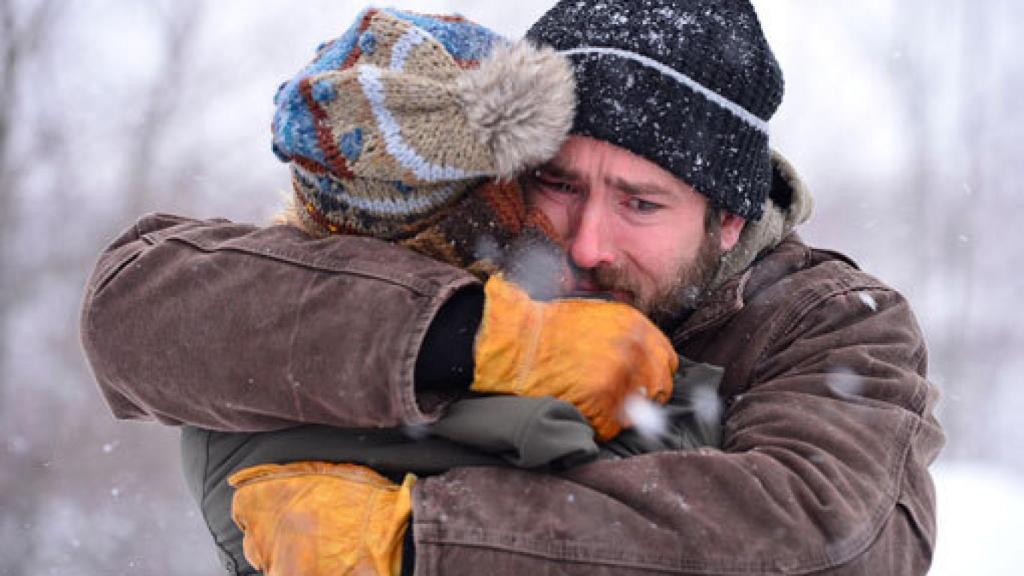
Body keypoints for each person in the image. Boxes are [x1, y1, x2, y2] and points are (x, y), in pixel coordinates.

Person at [80, 1, 945, 575]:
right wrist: (470, 337)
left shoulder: (827, 325)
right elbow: (137, 312)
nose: (587, 240)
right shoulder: (479, 239)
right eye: (561, 184)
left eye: (641, 202)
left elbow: (838, 539)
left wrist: (417, 542)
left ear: (728, 217)